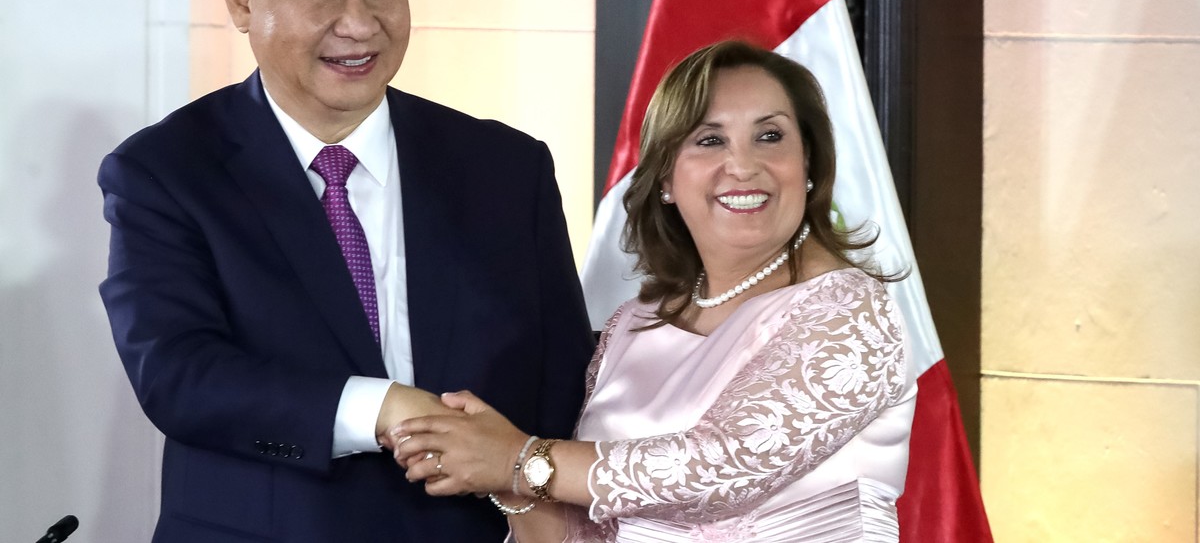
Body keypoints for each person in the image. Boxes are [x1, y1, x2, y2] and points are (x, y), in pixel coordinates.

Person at [97, 0, 594, 541]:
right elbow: (179, 374)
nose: (359, 23)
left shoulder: (506, 166)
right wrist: (380, 407)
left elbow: (563, 373)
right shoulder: (167, 171)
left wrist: (541, 501)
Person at [387, 40, 918, 542]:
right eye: (710, 140)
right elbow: (589, 530)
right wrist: (492, 467)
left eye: (770, 136)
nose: (743, 165)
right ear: (665, 178)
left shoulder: (850, 310)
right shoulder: (636, 322)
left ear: (810, 164)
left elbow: (720, 467)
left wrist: (517, 460)